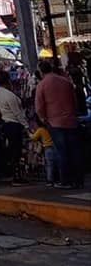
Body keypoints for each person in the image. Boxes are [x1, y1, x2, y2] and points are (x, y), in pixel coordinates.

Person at [35, 60, 84, 189]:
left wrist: (43, 118)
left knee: (62, 152)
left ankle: (66, 180)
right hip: (71, 120)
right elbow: (75, 101)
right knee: (75, 151)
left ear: (41, 71)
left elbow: (39, 106)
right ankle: (78, 179)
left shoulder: (42, 84)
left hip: (55, 122)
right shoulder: (65, 81)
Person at [0, 70, 27, 185]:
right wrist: (27, 126)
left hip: (7, 124)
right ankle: (17, 177)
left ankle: (16, 174)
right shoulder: (8, 95)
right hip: (14, 124)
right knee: (16, 151)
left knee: (14, 151)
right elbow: (18, 113)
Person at [29, 120, 57, 186]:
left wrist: (28, 133)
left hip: (47, 147)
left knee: (49, 164)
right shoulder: (51, 128)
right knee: (56, 163)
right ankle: (57, 179)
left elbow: (34, 137)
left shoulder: (40, 129)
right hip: (55, 146)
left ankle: (50, 180)